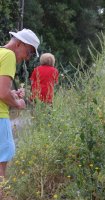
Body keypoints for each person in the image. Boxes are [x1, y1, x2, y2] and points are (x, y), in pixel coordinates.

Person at [0, 28, 40, 198]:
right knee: (1, 166)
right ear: (19, 43)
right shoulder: (8, 55)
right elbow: (2, 92)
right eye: (29, 51)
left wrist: (12, 94)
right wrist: (18, 103)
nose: (27, 57)